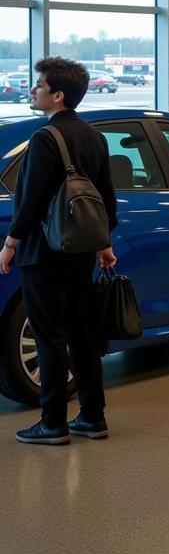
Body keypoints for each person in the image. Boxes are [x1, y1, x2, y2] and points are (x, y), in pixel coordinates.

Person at [1, 58, 117, 444]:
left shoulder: (45, 139)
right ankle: (93, 416)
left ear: (58, 95)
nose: (33, 90)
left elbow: (31, 200)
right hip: (81, 250)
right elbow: (105, 199)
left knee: (49, 335)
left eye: (39, 85)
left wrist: (11, 243)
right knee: (82, 333)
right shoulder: (95, 137)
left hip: (44, 253)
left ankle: (52, 422)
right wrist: (103, 244)